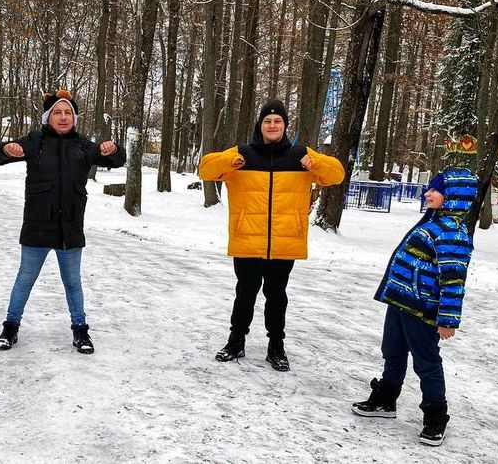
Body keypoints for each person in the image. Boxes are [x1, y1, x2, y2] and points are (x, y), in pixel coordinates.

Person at [199, 100, 344, 372]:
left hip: (284, 240)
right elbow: (205, 168)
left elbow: (336, 174)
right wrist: (229, 161)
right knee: (245, 293)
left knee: (276, 295)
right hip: (247, 239)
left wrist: (315, 163)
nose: (273, 125)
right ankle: (236, 341)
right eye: (268, 121)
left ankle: (276, 346)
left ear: (285, 126)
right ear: (260, 125)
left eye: (278, 121)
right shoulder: (242, 154)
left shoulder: (300, 155)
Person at [0, 89, 126, 354]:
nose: (63, 117)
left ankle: (80, 330)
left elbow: (118, 160)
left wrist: (114, 149)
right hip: (37, 227)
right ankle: (10, 327)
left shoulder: (84, 145)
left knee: (73, 283)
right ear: (47, 117)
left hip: (70, 229)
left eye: (68, 113)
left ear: (74, 118)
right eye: (58, 113)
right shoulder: (34, 142)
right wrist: (5, 148)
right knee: (24, 280)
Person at [351, 167, 478, 446]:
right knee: (392, 351)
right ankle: (386, 398)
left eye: (435, 190)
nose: (427, 193)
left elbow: (454, 280)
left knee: (427, 362)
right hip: (400, 300)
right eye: (429, 188)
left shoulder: (452, 232)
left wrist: (447, 319)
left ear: (454, 197)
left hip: (423, 309)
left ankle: (435, 415)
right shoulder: (431, 222)